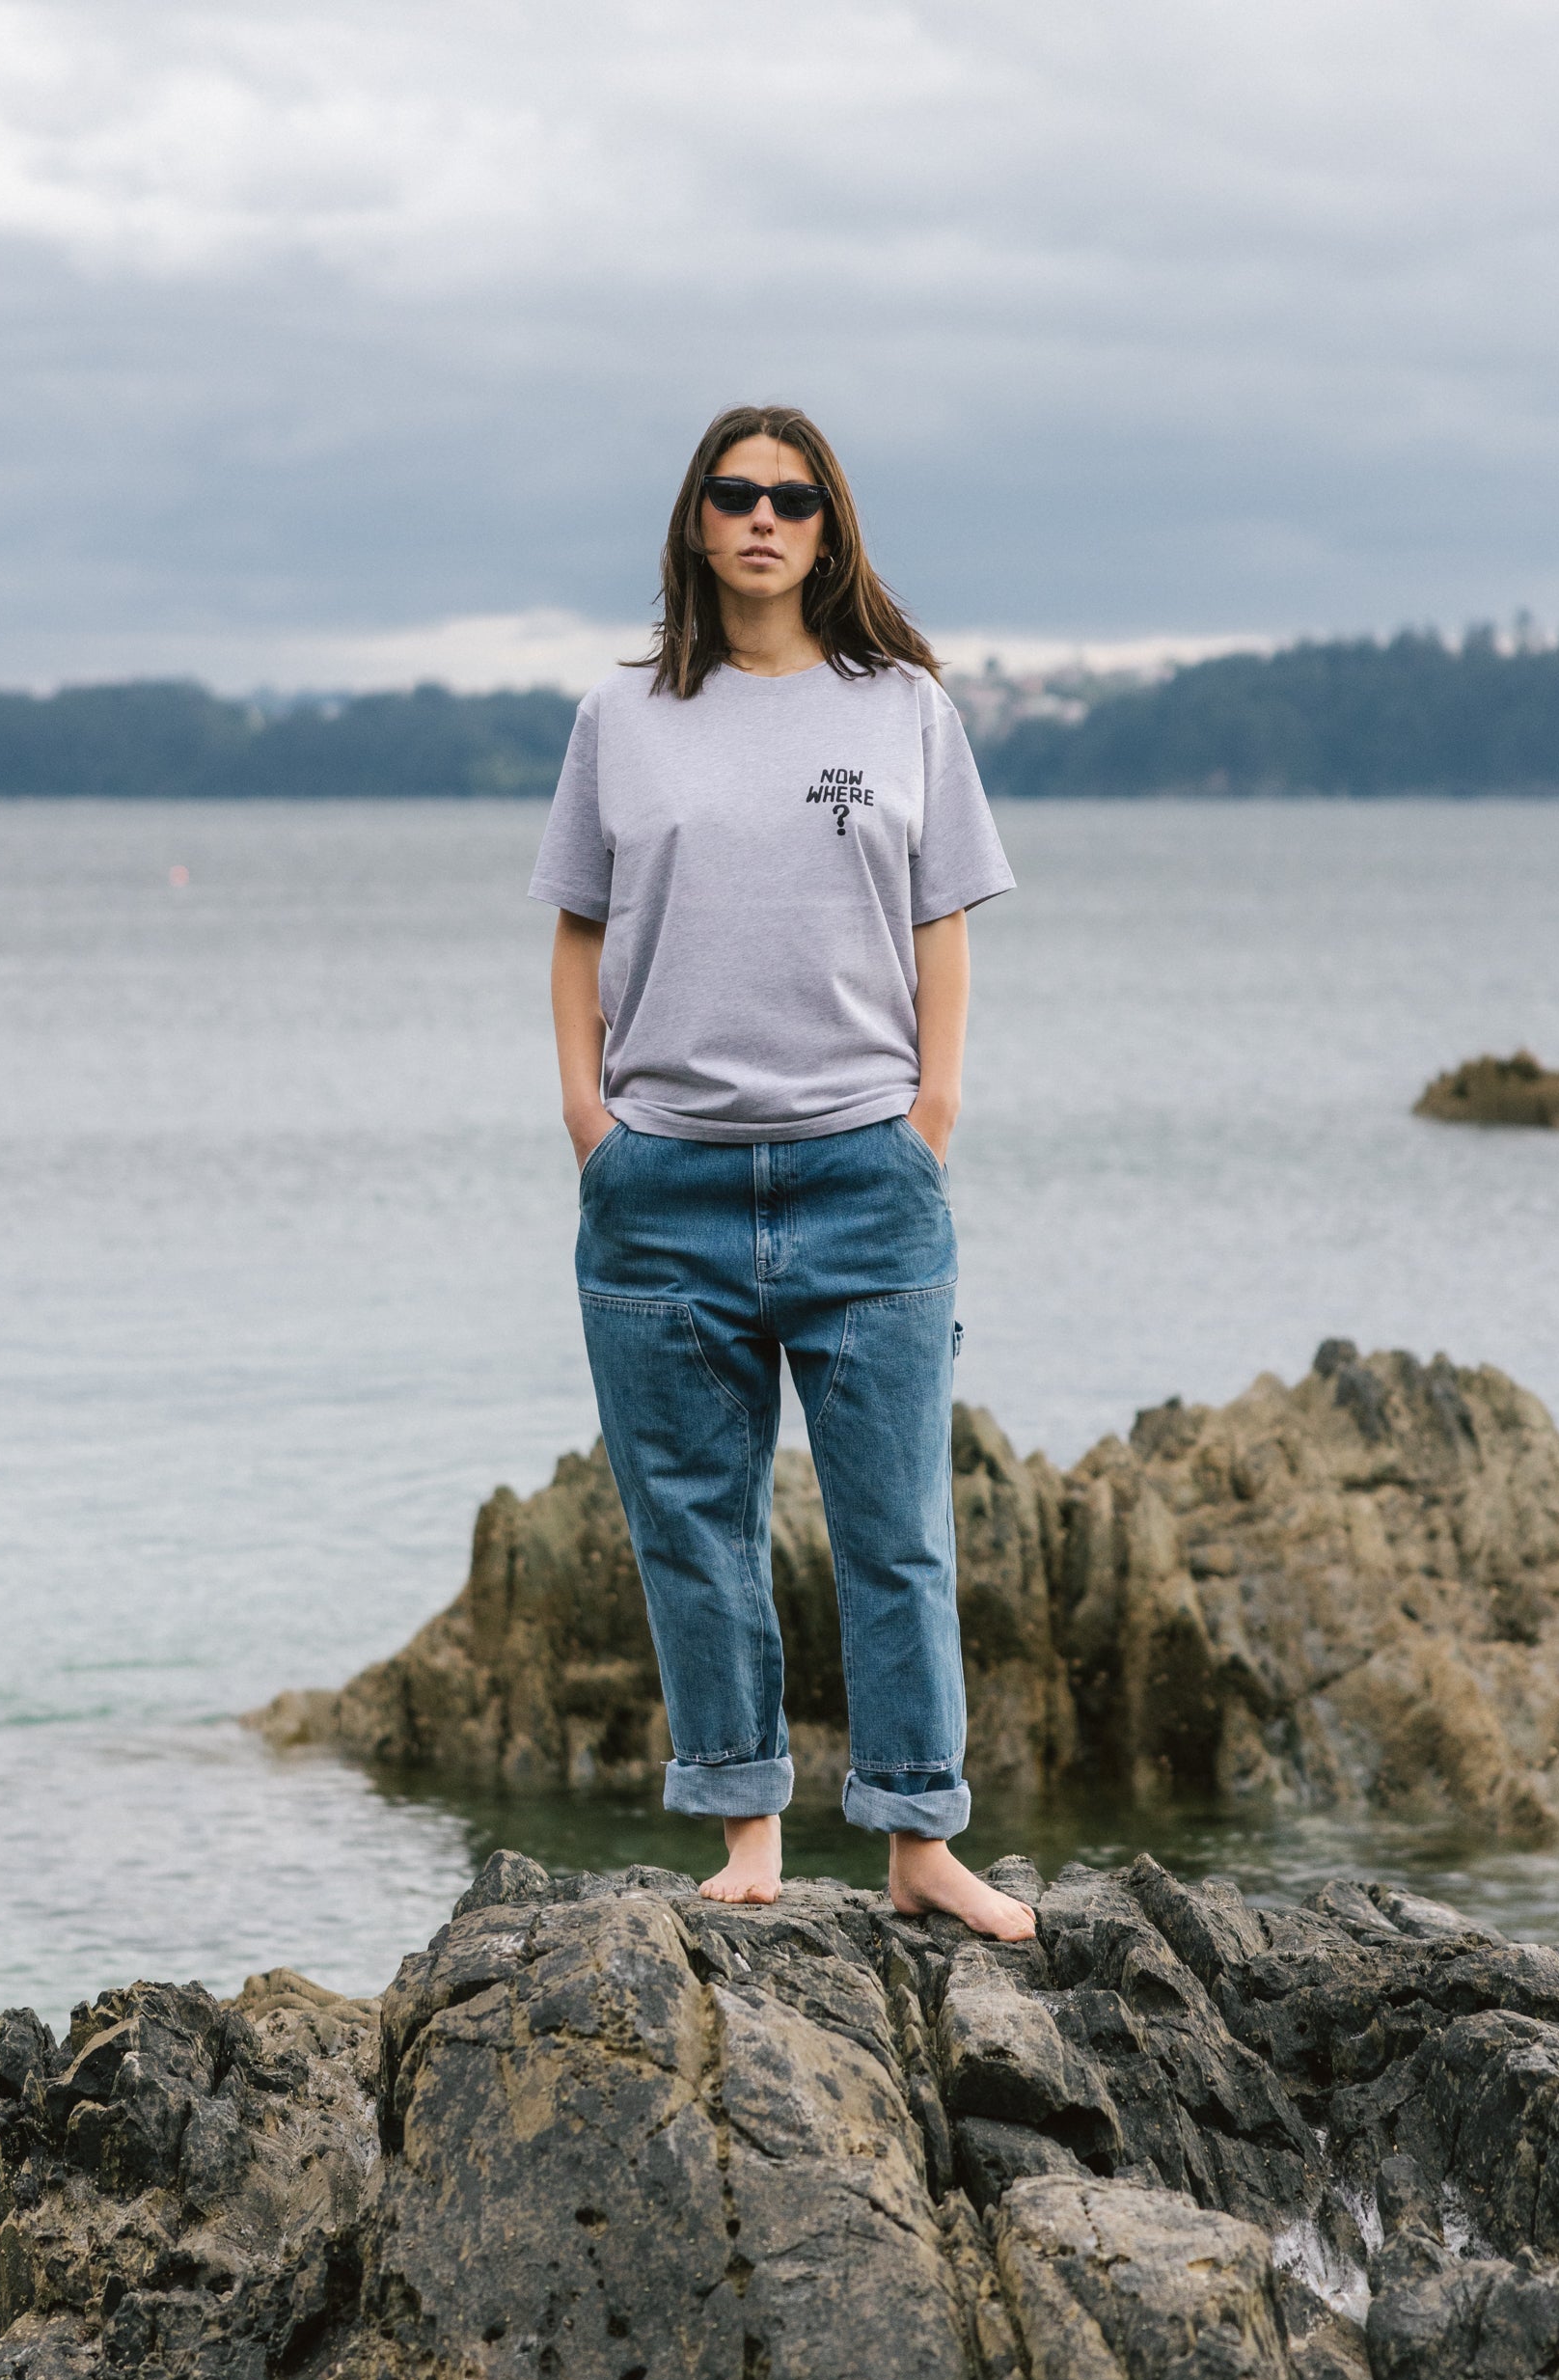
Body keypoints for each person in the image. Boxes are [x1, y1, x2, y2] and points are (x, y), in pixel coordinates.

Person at [529, 402, 1036, 1940]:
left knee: (897, 1531)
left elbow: (942, 924)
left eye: (795, 498)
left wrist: (932, 1110)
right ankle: (748, 1830)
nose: (765, 517)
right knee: (694, 1530)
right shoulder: (622, 717)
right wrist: (589, 1120)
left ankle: (919, 1840)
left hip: (866, 1177)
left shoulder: (904, 709)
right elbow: (578, 930)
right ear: (697, 521)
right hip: (661, 1188)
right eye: (737, 493)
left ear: (829, 530)